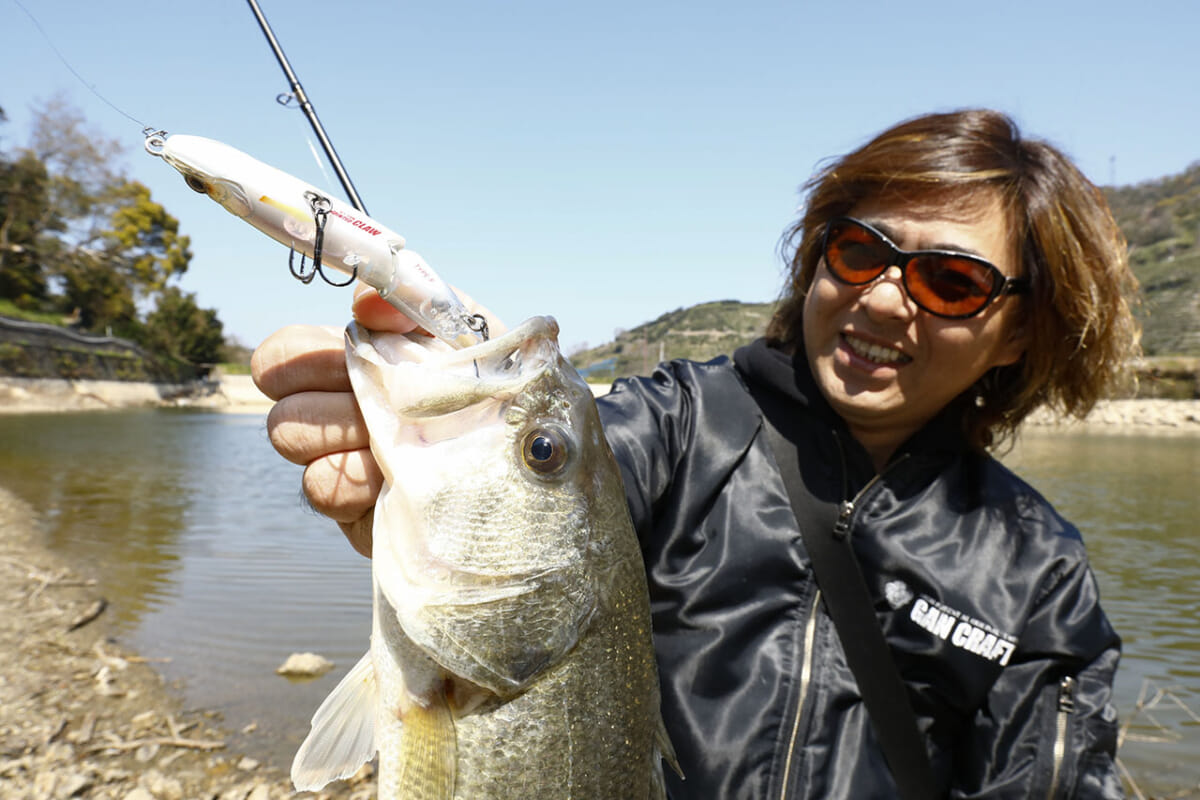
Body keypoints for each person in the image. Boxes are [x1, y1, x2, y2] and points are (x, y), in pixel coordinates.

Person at [252, 109, 1139, 798]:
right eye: (859, 251)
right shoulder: (681, 425)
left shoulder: (1036, 569)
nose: (882, 301)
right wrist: (391, 479)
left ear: (1019, 333)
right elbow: (544, 507)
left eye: (952, 281)